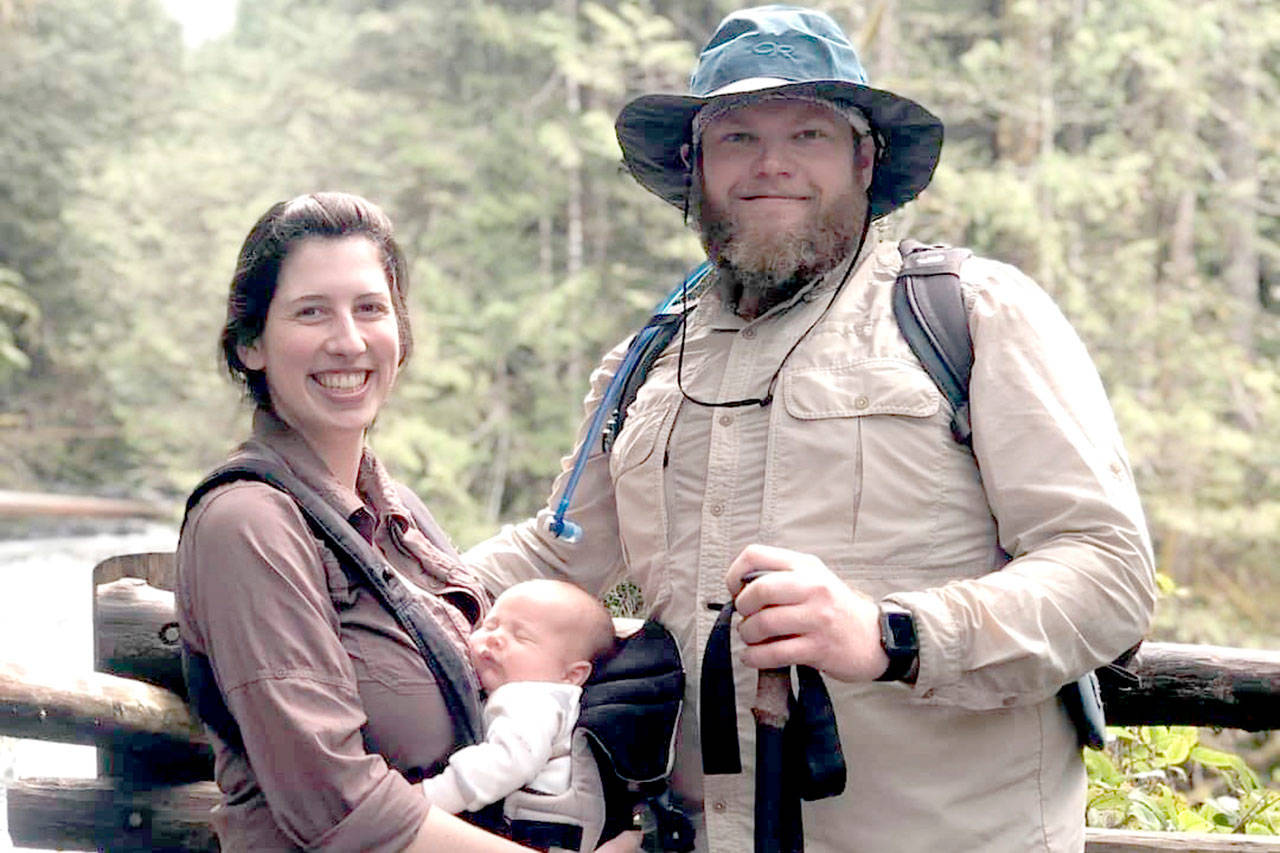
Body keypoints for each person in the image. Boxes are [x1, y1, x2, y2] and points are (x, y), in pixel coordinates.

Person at [465, 6, 1157, 852]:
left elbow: (1109, 573)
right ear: (695, 166)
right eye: (736, 138)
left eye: (809, 134)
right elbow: (562, 554)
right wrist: (357, 577)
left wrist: (890, 633)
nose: (772, 165)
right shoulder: (644, 366)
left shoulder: (969, 314)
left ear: (865, 159)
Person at [176, 192, 637, 852]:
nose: (348, 340)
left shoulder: (399, 512)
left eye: (370, 308)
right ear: (251, 343)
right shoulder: (247, 523)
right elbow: (340, 811)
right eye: (311, 312)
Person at [422, 580, 615, 823]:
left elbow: (508, 761)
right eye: (490, 625)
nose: (496, 638)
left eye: (521, 637)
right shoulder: (546, 698)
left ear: (571, 675)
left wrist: (428, 796)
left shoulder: (533, 700)